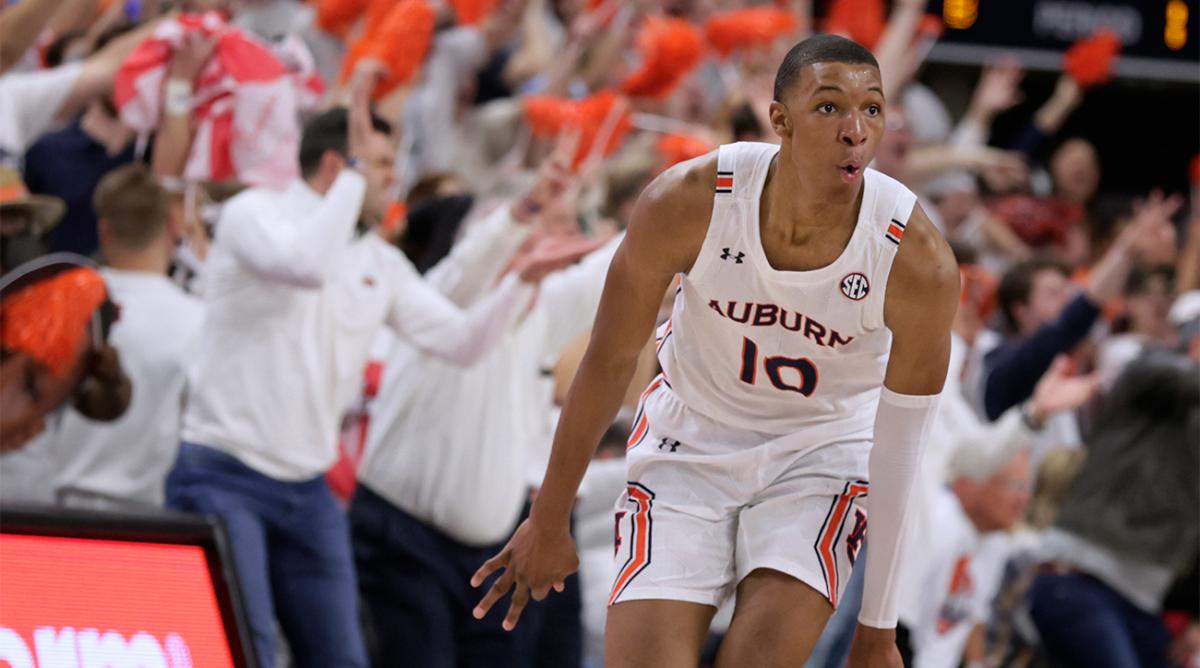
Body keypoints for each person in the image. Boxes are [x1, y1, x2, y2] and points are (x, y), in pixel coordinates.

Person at [472, 34, 960, 667]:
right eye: (829, 107)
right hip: (690, 441)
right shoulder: (690, 201)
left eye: (872, 109)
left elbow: (900, 448)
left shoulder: (916, 260)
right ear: (779, 120)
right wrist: (549, 514)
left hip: (818, 455)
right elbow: (610, 357)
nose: (855, 130)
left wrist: (878, 628)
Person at [164, 78, 581, 667]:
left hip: (307, 490)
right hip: (223, 469)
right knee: (241, 649)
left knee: (344, 660)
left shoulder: (378, 261)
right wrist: (357, 174)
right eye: (382, 163)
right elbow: (306, 265)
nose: (394, 178)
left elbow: (461, 342)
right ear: (338, 164)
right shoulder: (251, 213)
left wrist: (523, 277)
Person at [48, 164, 203, 510]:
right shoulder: (198, 320)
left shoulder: (61, 304)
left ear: (104, 231)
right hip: (152, 516)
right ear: (171, 227)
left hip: (58, 508)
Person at [896, 451, 1033, 668]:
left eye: (1027, 489)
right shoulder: (938, 519)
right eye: (1016, 486)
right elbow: (894, 626)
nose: (1024, 499)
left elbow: (973, 617)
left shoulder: (996, 542)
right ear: (972, 481)